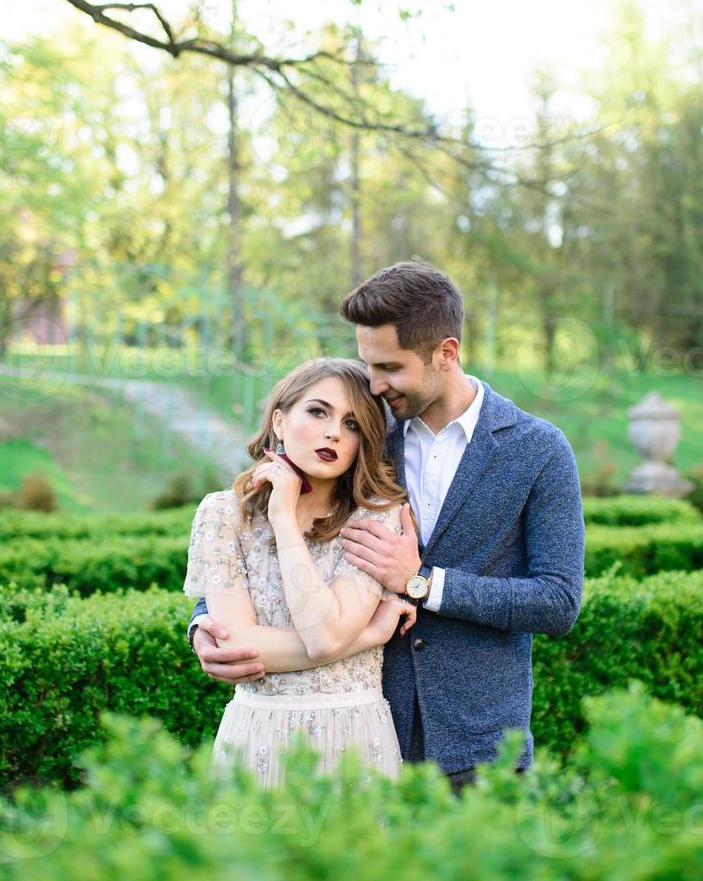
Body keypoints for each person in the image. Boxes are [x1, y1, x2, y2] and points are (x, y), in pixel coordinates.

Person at [189, 260, 587, 796]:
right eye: (368, 365)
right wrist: (203, 621)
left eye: (390, 368)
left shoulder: (537, 450)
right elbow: (270, 536)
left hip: (478, 744)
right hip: (368, 737)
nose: (373, 385)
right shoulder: (365, 441)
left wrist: (423, 582)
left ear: (446, 354)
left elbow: (558, 602)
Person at [182, 356, 418, 787]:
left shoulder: (377, 520)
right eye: (318, 411)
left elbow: (324, 635)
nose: (333, 431)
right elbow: (237, 644)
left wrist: (285, 522)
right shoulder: (221, 514)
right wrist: (366, 636)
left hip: (356, 741)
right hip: (256, 736)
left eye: (352, 424)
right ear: (279, 420)